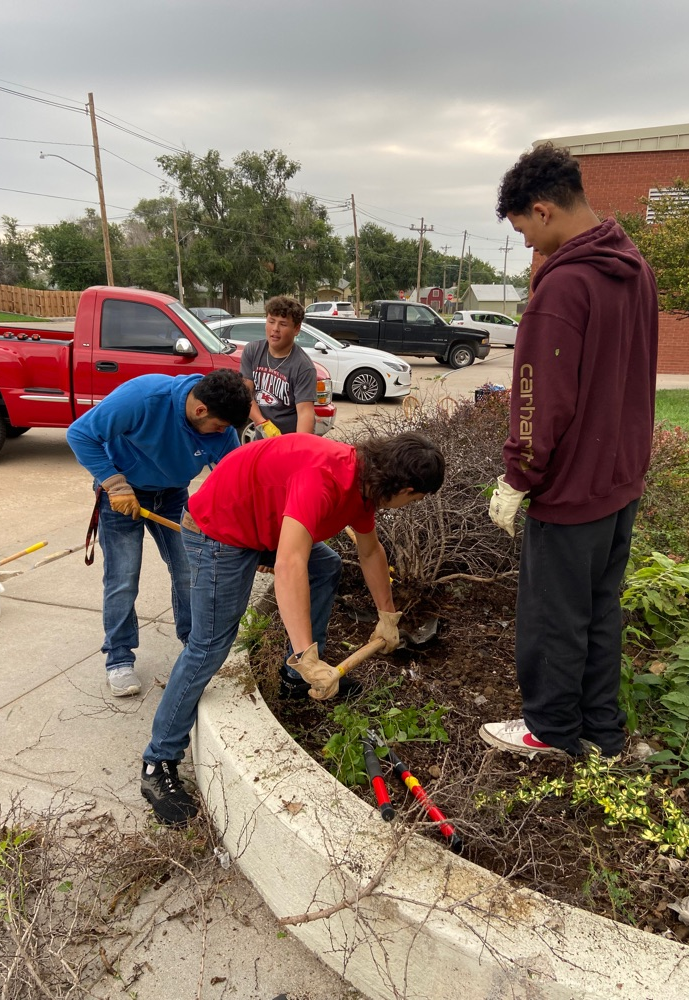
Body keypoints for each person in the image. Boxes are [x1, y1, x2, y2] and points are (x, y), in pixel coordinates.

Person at [139, 431, 445, 825]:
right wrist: (307, 653)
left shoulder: (365, 484)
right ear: (403, 487)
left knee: (327, 564)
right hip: (219, 529)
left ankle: (291, 678)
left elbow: (370, 551)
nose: (409, 506)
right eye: (414, 499)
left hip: (261, 520)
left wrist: (388, 617)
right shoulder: (325, 478)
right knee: (209, 645)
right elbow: (288, 565)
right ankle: (158, 761)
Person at [481, 142, 659, 759]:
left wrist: (517, 478)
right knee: (600, 610)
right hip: (620, 481)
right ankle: (602, 733)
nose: (528, 244)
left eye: (525, 229)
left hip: (571, 490)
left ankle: (551, 731)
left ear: (543, 209)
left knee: (553, 617)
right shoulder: (634, 269)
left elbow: (537, 400)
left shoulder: (563, 290)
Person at [67, 370, 252, 697]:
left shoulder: (222, 430)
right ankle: (119, 657)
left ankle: (193, 646)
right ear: (200, 411)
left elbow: (235, 482)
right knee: (123, 577)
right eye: (219, 426)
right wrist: (114, 482)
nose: (223, 433)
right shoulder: (143, 397)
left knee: (188, 571)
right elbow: (80, 434)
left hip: (172, 495)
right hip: (122, 493)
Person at [240, 295, 316, 438]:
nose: (275, 329)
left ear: (296, 329)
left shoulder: (303, 367)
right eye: (271, 321)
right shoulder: (252, 351)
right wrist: (262, 423)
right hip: (261, 439)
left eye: (283, 324)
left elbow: (305, 412)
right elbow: (245, 394)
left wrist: (299, 447)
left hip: (288, 441)